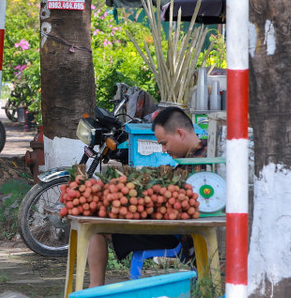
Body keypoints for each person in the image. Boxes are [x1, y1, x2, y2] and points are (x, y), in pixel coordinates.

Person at [86, 107, 207, 288]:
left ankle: (95, 290)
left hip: (177, 234)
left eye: (164, 143)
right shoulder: (186, 159)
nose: (164, 150)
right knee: (95, 226)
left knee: (97, 229)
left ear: (180, 134)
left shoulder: (203, 161)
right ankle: (95, 290)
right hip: (166, 225)